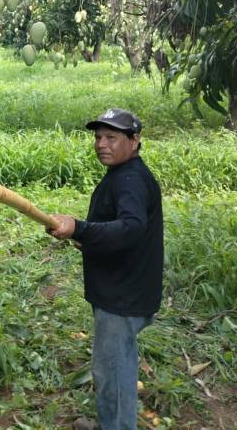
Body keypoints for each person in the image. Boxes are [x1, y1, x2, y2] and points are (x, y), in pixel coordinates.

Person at [46, 109, 164, 430]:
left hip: (122, 298)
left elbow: (131, 228)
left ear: (135, 140)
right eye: (98, 137)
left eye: (111, 137)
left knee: (112, 372)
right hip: (123, 290)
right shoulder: (124, 174)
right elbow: (118, 228)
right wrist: (85, 237)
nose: (101, 144)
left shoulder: (130, 180)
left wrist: (81, 229)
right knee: (115, 367)